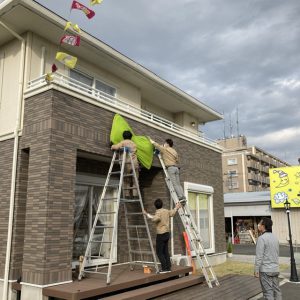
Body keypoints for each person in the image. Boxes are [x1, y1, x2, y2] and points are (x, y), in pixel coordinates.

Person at [144, 198, 181, 273]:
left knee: (159, 252)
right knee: (165, 251)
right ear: (162, 204)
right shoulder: (166, 211)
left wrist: (146, 214)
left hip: (161, 234)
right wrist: (176, 207)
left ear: (155, 206)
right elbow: (172, 213)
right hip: (167, 234)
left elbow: (155, 219)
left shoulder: (158, 212)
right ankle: (168, 267)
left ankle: (164, 269)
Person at [150, 138, 186, 204]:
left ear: (167, 144)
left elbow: (157, 146)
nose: (164, 144)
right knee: (178, 184)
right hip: (176, 168)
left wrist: (151, 141)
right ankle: (183, 196)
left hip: (171, 168)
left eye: (165, 143)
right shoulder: (174, 151)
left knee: (174, 184)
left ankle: (180, 197)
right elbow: (177, 160)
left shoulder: (165, 149)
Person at [254, 217, 282, 300]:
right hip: (275, 269)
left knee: (268, 292)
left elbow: (259, 256)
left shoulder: (261, 238)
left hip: (265, 270)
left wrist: (256, 270)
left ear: (263, 226)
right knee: (277, 290)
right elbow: (277, 253)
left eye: (260, 224)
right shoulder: (275, 238)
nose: (258, 225)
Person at [111, 131, 139, 197]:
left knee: (126, 179)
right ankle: (135, 194)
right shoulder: (134, 144)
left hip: (127, 163)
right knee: (135, 180)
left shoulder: (123, 142)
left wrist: (112, 145)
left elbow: (116, 147)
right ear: (131, 137)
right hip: (134, 163)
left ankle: (126, 194)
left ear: (123, 137)